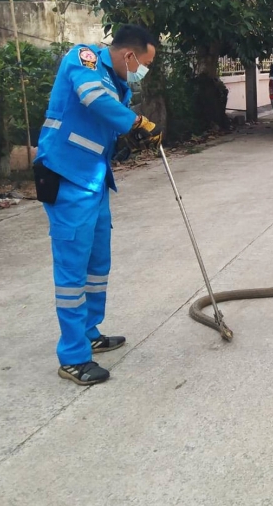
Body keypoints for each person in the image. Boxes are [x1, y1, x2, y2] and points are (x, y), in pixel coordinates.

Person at [33, 24, 162, 386]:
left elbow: (103, 126)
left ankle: (89, 332)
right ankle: (73, 357)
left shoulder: (118, 83)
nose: (142, 72)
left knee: (97, 263)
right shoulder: (84, 58)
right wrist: (136, 122)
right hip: (65, 177)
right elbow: (92, 99)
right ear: (129, 55)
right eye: (144, 64)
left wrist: (127, 139)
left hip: (93, 180)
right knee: (72, 271)